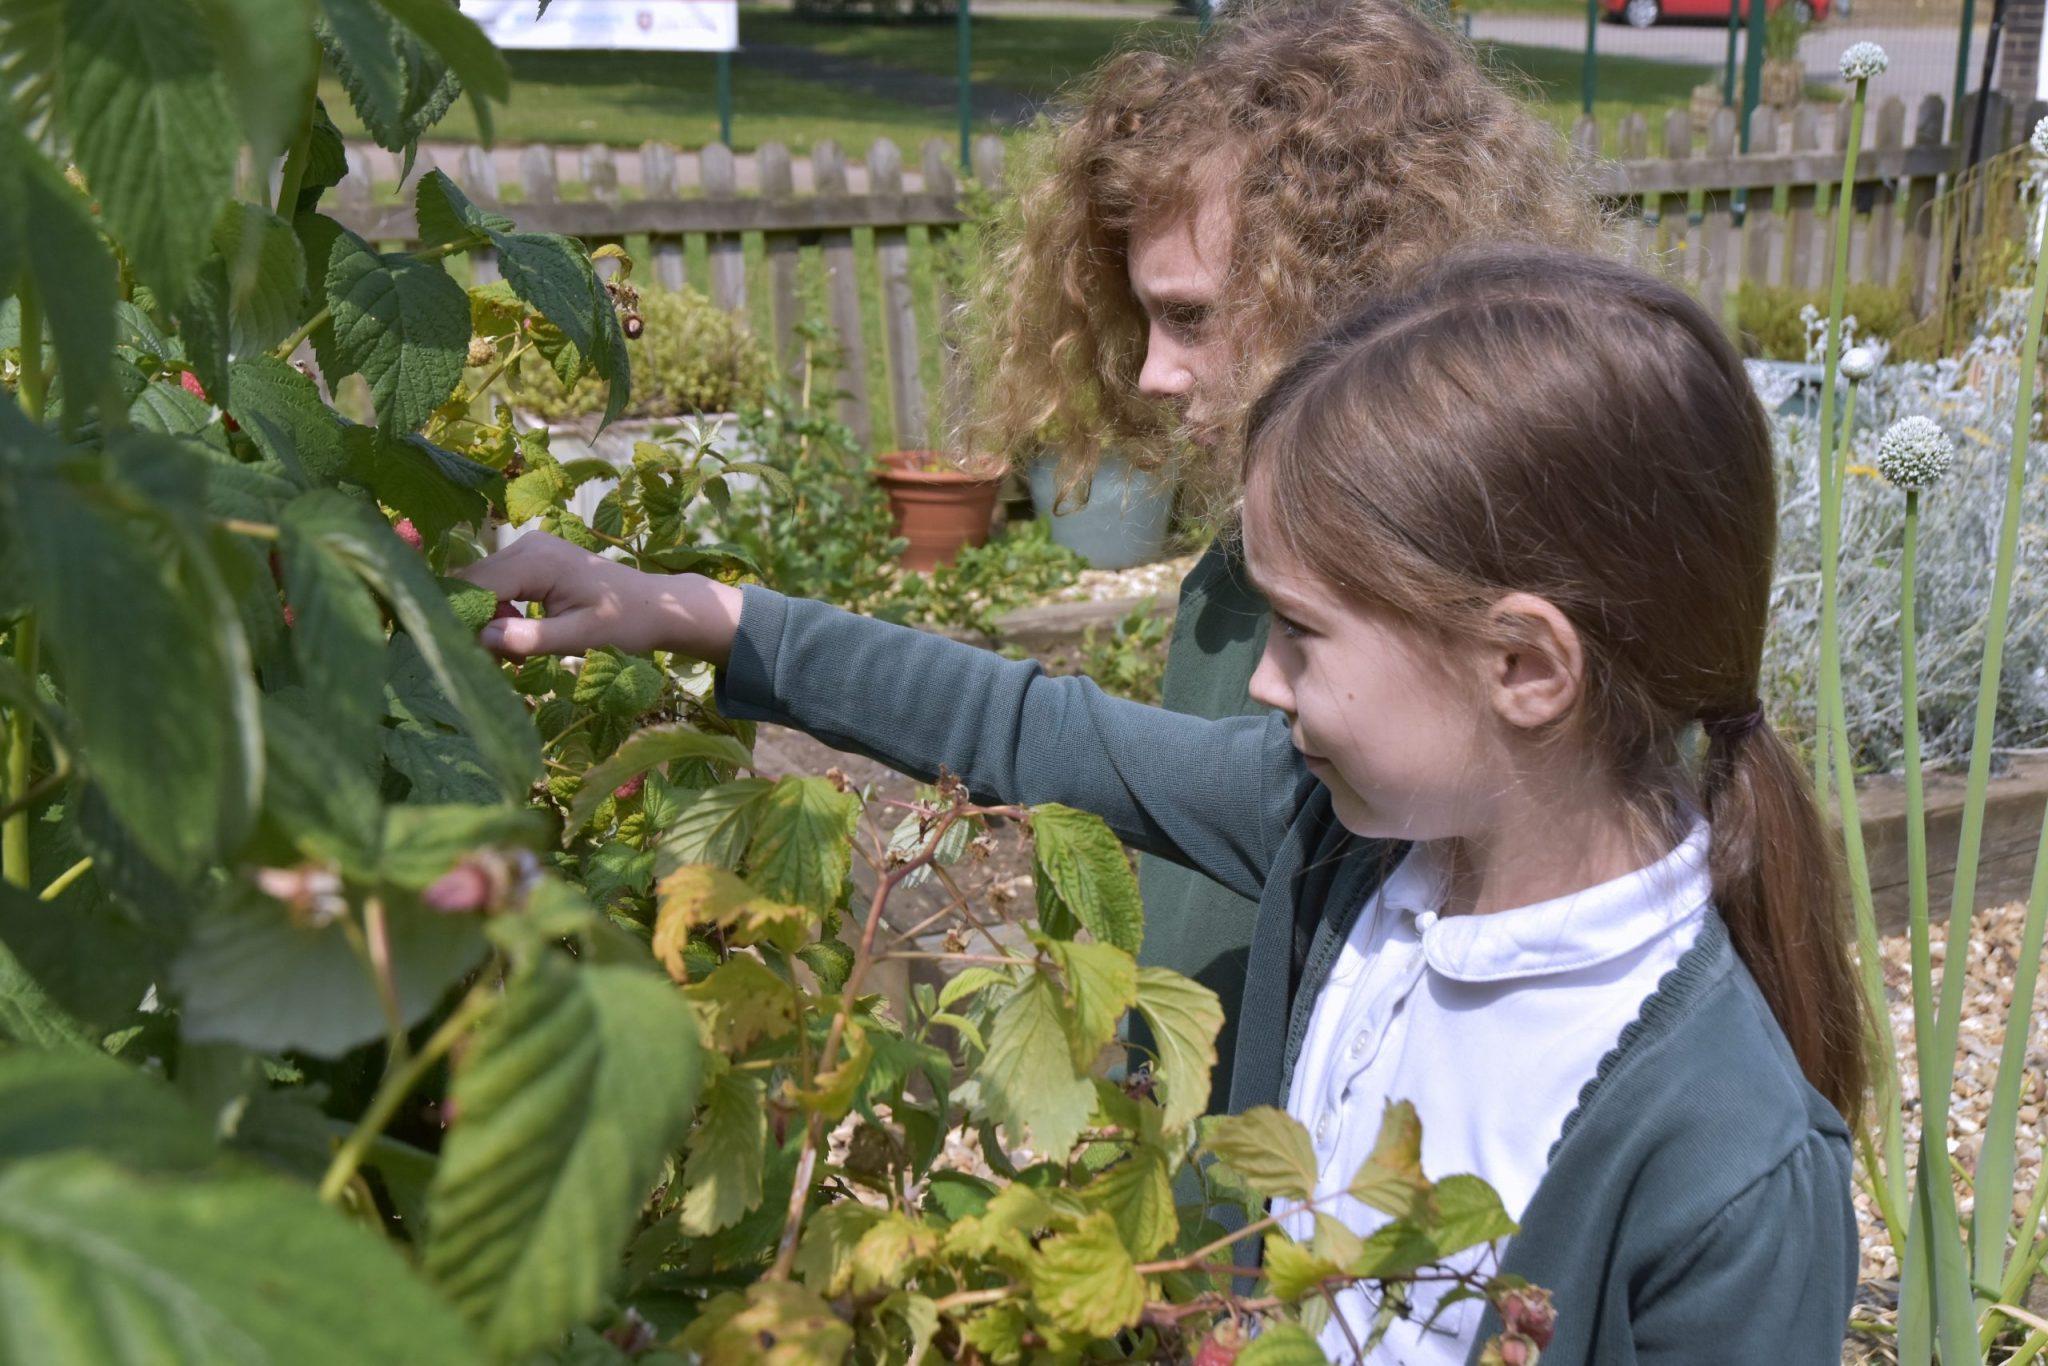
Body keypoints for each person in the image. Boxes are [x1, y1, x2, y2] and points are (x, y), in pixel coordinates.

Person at [459, 248, 1861, 1364]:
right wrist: (695, 612)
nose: (1257, 680)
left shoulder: (1726, 1170)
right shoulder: (1353, 850)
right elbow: (1029, 725)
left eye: (1302, 634)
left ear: (1522, 664)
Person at [965, 0, 1609, 1105]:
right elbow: (1192, 900)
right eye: (1145, 321)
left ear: (1353, 290)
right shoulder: (1233, 579)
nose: (1155, 374)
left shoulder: (1484, 628)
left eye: (1195, 317)